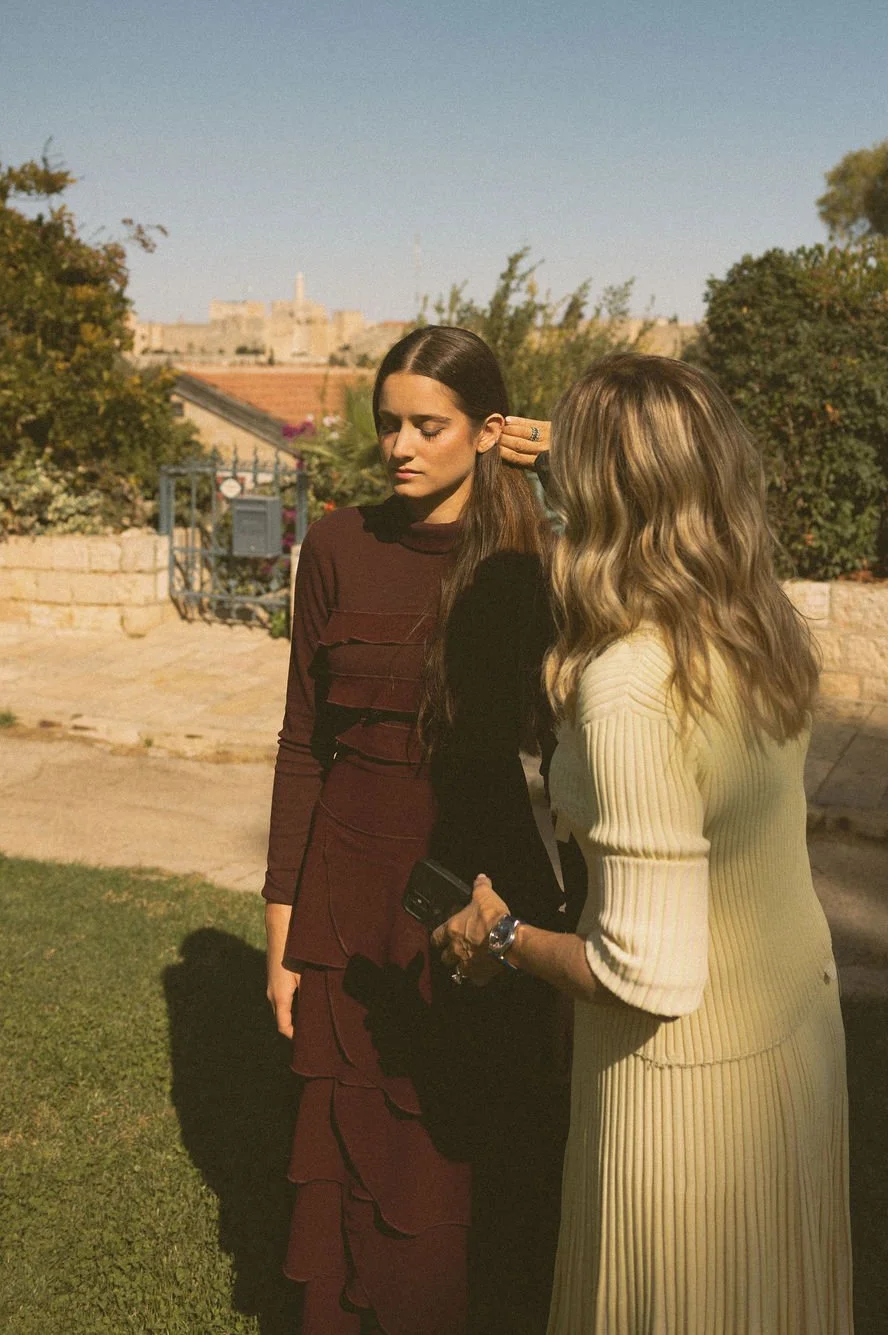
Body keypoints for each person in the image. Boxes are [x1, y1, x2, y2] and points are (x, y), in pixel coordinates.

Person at [435, 353, 855, 1334]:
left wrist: (497, 937)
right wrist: (573, 441)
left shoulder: (629, 684)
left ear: (599, 493)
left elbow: (646, 974)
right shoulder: (752, 619)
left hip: (688, 1098)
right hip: (790, 1037)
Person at [263, 326, 575, 1335]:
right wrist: (281, 929)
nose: (399, 445)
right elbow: (302, 739)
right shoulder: (339, 543)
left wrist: (566, 462)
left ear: (488, 430)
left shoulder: (530, 560)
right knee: (357, 1141)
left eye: (427, 425)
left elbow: (664, 561)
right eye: (387, 422)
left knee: (472, 1154)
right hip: (346, 889)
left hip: (480, 887)